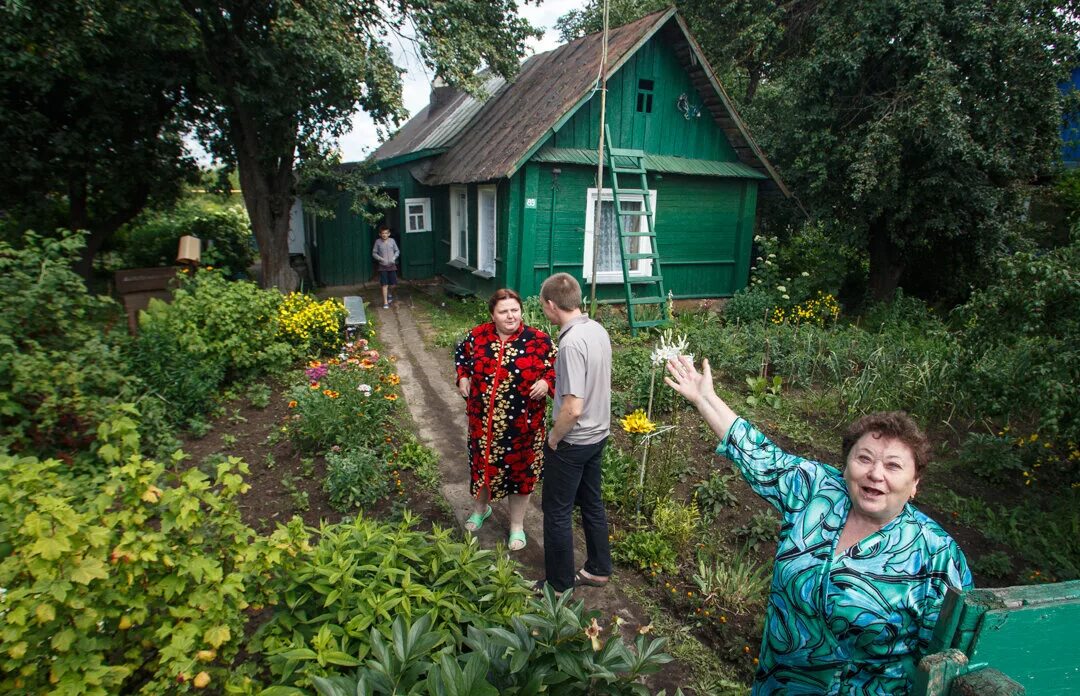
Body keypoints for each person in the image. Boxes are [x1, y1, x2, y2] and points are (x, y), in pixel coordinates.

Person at [664, 355, 973, 695]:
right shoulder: (819, 492)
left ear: (915, 482)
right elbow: (758, 454)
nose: (875, 473)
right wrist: (704, 397)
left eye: (893, 466)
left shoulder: (936, 556)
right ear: (846, 466)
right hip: (778, 686)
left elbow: (947, 661)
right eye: (864, 458)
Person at [455, 289, 555, 551]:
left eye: (514, 310)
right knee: (482, 466)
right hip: (482, 423)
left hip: (523, 426)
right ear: (492, 315)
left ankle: (517, 526)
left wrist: (546, 382)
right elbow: (462, 359)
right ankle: (481, 509)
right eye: (503, 311)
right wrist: (463, 377)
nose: (510, 316)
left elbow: (557, 368)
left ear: (521, 311)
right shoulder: (477, 336)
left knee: (520, 475)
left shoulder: (539, 341)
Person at [537, 273, 613, 594]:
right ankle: (597, 568)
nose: (543, 311)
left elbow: (572, 408)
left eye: (544, 307)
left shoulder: (569, 343)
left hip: (574, 441)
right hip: (598, 436)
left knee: (556, 512)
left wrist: (553, 439)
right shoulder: (596, 329)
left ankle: (558, 586)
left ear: (553, 305)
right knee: (592, 502)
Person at [372, 225, 399, 309]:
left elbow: (397, 251)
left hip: (392, 265)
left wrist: (394, 258)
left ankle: (389, 294)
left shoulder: (392, 241)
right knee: (384, 284)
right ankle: (385, 302)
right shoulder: (377, 242)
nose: (384, 235)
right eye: (383, 233)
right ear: (380, 234)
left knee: (393, 284)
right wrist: (380, 259)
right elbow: (374, 253)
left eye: (386, 233)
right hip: (382, 266)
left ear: (389, 234)